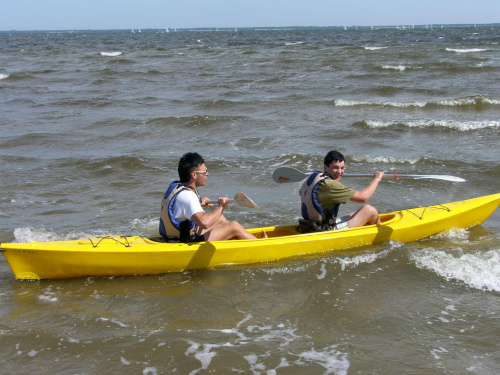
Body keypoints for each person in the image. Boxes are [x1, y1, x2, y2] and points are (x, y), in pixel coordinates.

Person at [159, 152, 266, 242]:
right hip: (184, 242)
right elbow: (205, 223)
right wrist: (221, 206)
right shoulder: (188, 196)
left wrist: (200, 201)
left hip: (175, 237)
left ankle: (231, 245)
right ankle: (263, 247)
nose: (207, 174)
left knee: (220, 219)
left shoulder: (178, 188)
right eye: (204, 171)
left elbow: (183, 208)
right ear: (194, 175)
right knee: (234, 226)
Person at [299, 150, 384, 231]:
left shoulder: (314, 177)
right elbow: (363, 197)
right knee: (369, 210)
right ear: (326, 167)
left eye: (342, 168)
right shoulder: (330, 185)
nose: (339, 172)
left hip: (309, 226)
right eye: (335, 168)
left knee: (352, 215)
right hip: (325, 231)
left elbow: (301, 192)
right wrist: (377, 179)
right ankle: (382, 234)